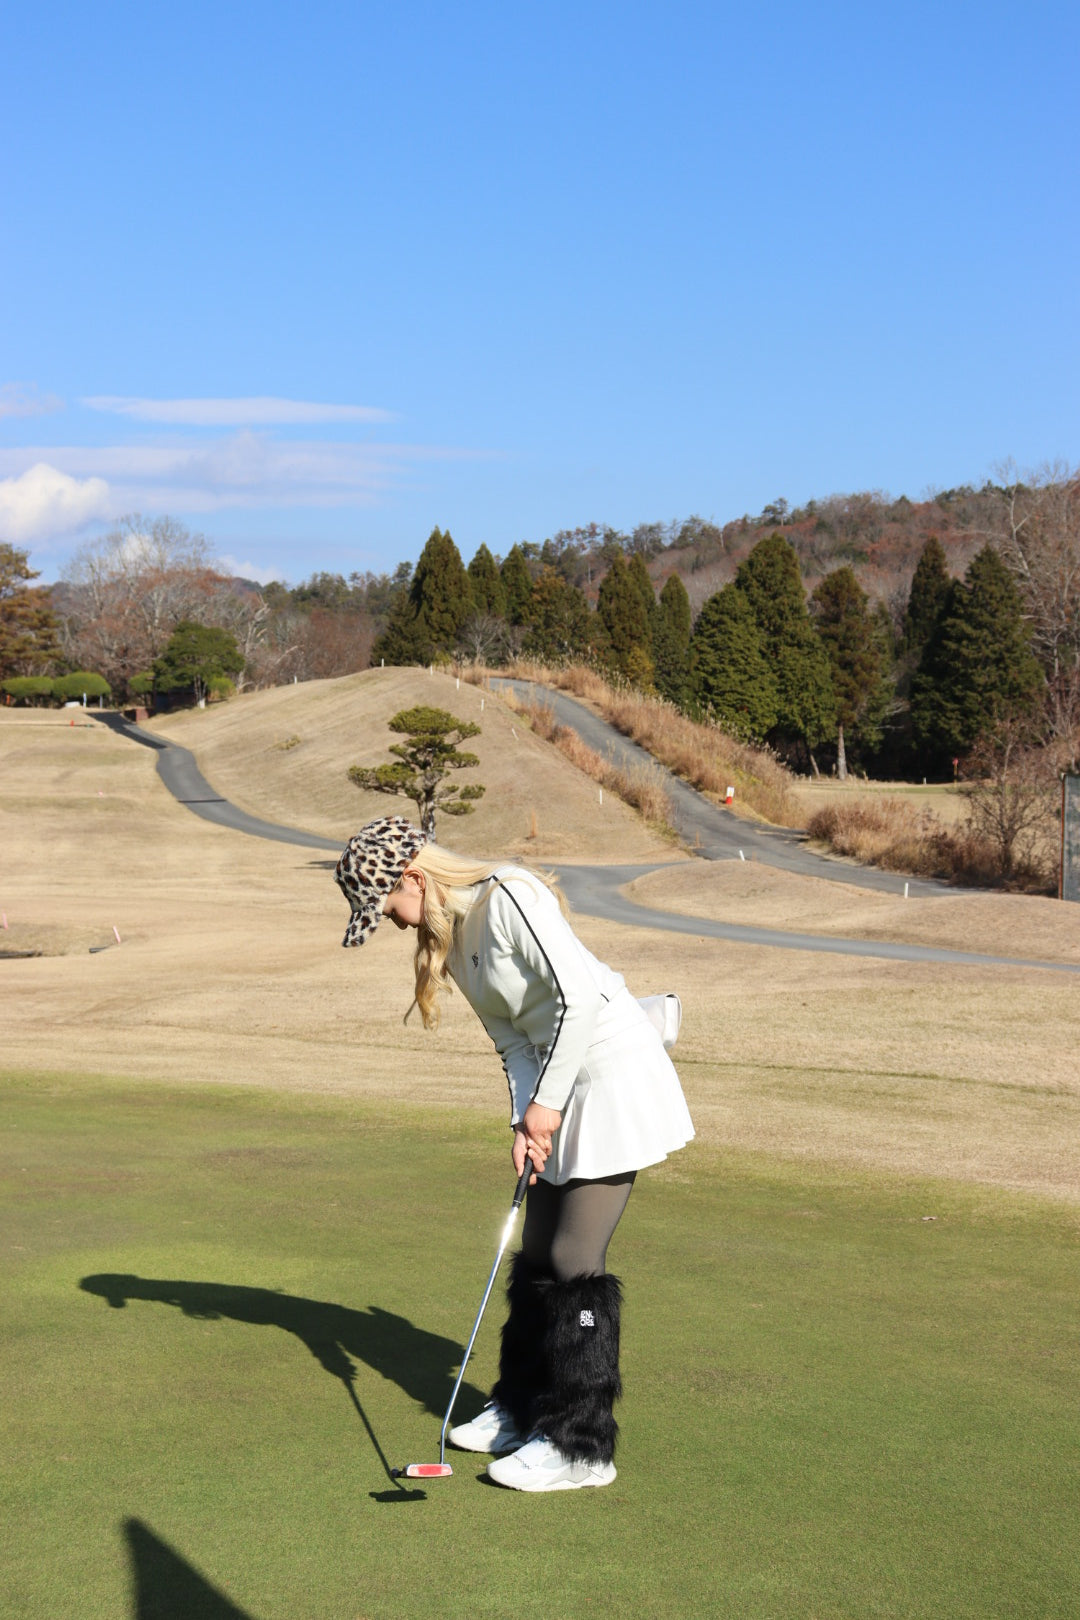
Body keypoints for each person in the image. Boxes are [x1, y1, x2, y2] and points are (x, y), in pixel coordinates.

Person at [335, 814, 694, 1492]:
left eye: (388, 907)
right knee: (534, 1254)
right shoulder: (454, 942)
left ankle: (581, 1447)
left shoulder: (509, 897)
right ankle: (522, 1407)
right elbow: (515, 1046)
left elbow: (579, 1000)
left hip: (614, 1078)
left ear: (414, 877)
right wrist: (524, 1124)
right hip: (560, 1088)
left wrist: (547, 1108)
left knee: (571, 1261)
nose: (393, 922)